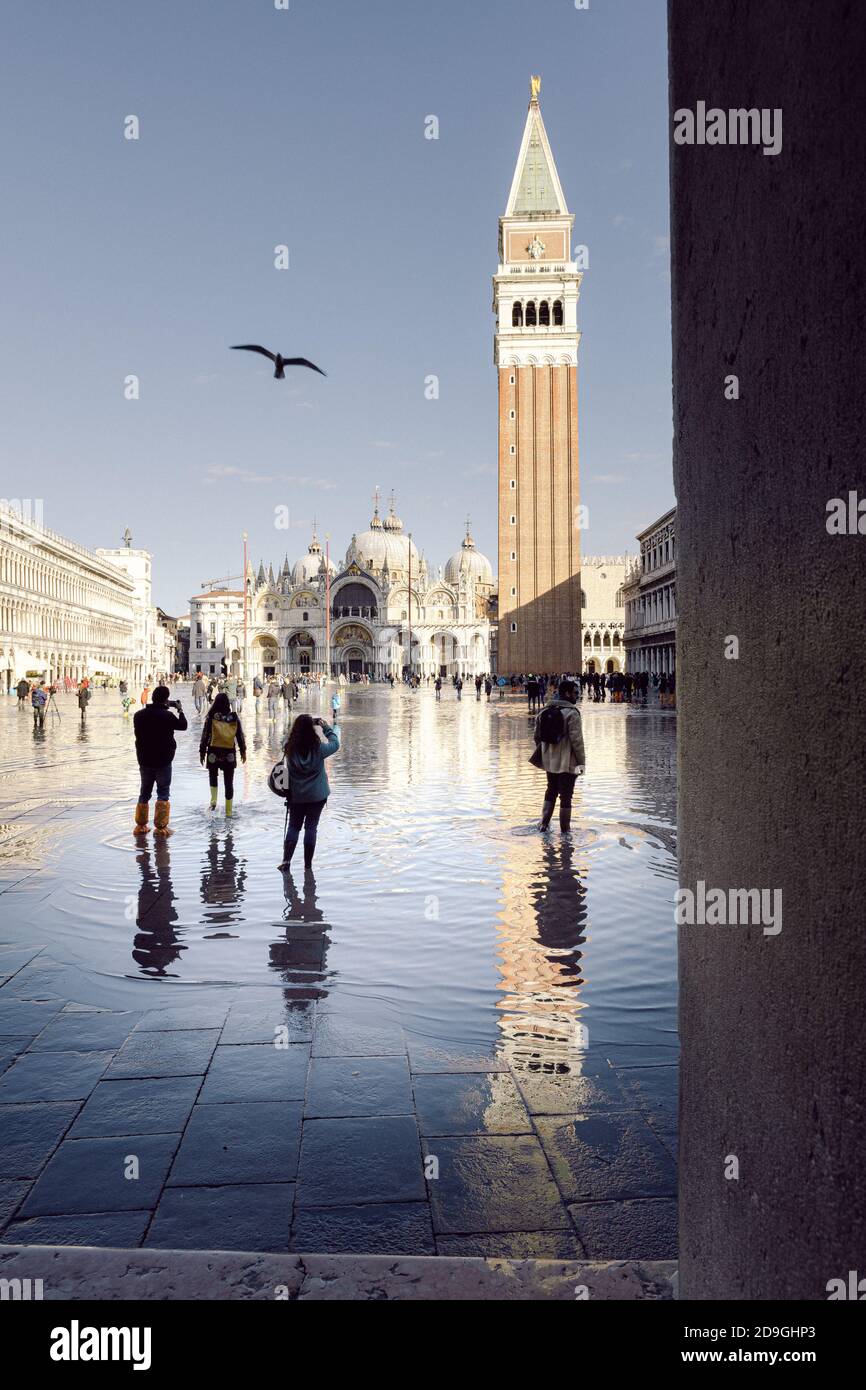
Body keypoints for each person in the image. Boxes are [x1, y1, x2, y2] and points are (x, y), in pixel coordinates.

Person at [277, 713, 340, 873]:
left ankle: (286, 861)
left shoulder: (289, 748)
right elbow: (335, 743)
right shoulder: (319, 749)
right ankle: (307, 865)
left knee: (293, 827)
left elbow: (283, 738)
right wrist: (325, 727)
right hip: (317, 796)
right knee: (311, 828)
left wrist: (295, 726)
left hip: (296, 795)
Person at [132, 685, 188, 836]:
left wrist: (165, 706)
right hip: (163, 759)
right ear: (165, 699)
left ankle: (140, 826)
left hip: (144, 759)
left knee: (144, 791)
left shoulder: (138, 715)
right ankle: (161, 828)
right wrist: (180, 709)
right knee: (163, 792)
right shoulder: (167, 716)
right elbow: (183, 726)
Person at [534, 678, 586, 834]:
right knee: (566, 796)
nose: (577, 696)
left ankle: (543, 824)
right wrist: (582, 763)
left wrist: (546, 753)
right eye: (575, 693)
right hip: (567, 763)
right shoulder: (572, 713)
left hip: (549, 762)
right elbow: (577, 742)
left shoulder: (544, 710)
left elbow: (537, 737)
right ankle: (565, 831)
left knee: (551, 790)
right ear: (567, 693)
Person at [200, 692, 246, 818]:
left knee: (213, 776)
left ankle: (213, 801)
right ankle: (229, 811)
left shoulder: (212, 717)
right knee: (229, 782)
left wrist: (202, 751)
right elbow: (240, 735)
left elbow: (205, 735)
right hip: (229, 753)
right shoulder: (233, 718)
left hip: (213, 752)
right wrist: (243, 751)